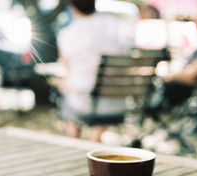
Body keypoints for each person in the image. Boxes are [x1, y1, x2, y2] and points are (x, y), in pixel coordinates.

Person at [55, 0, 136, 142]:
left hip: (83, 102)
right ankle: (95, 140)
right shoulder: (116, 26)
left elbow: (65, 67)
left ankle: (74, 142)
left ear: (73, 8)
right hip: (115, 102)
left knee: (67, 93)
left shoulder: (68, 33)